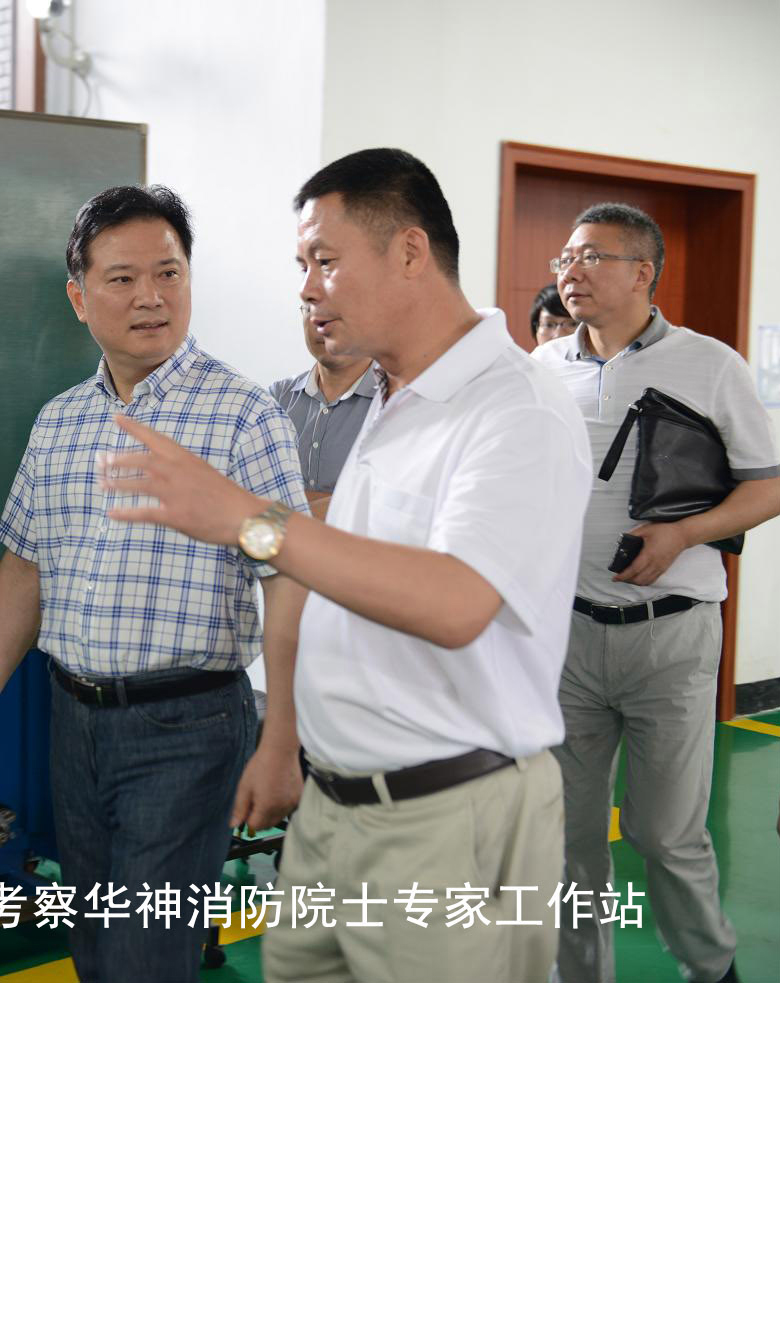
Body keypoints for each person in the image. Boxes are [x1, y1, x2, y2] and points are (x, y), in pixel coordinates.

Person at [98, 148, 593, 983]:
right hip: (335, 809)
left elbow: (457, 601)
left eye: (324, 261)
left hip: (446, 820)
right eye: (302, 264)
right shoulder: (396, 399)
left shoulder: (515, 408)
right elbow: (333, 586)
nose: (307, 288)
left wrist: (248, 519)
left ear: (410, 251)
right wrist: (287, 738)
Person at [0, 184, 308, 983]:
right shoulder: (60, 421)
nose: (151, 296)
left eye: (168, 273)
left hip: (189, 724)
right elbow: (24, 566)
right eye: (123, 278)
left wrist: (281, 733)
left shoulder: (244, 416)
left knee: (146, 960)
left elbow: (288, 578)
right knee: (97, 953)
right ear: (80, 298)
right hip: (74, 721)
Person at [533, 202, 780, 983]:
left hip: (669, 634)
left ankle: (711, 971)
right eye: (564, 258)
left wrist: (683, 534)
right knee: (566, 835)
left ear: (643, 271)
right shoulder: (541, 367)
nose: (570, 271)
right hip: (567, 637)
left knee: (666, 833)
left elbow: (768, 485)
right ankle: (581, 984)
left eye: (590, 256)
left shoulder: (710, 364)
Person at [271, 304, 376, 516]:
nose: (323, 324)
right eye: (312, 308)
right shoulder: (278, 397)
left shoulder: (395, 402)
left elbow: (382, 506)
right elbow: (248, 490)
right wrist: (339, 502)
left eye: (339, 309)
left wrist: (279, 508)